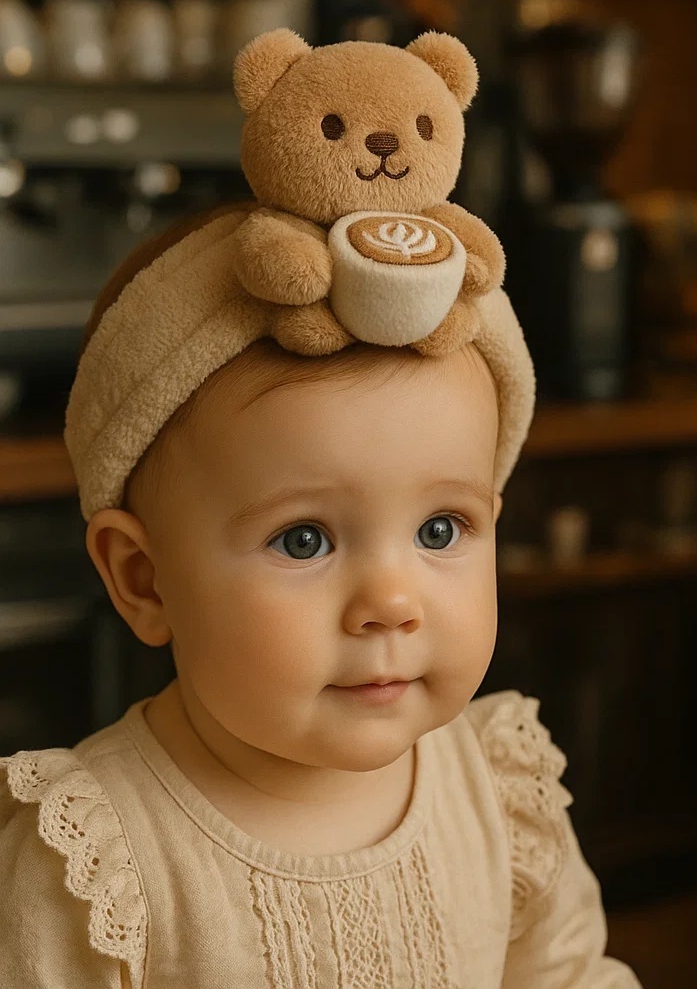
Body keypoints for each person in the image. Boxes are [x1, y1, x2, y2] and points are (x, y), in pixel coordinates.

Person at [0, 203, 641, 989]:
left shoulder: (499, 796)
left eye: (441, 530)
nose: (391, 602)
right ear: (143, 577)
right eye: (303, 540)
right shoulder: (101, 858)